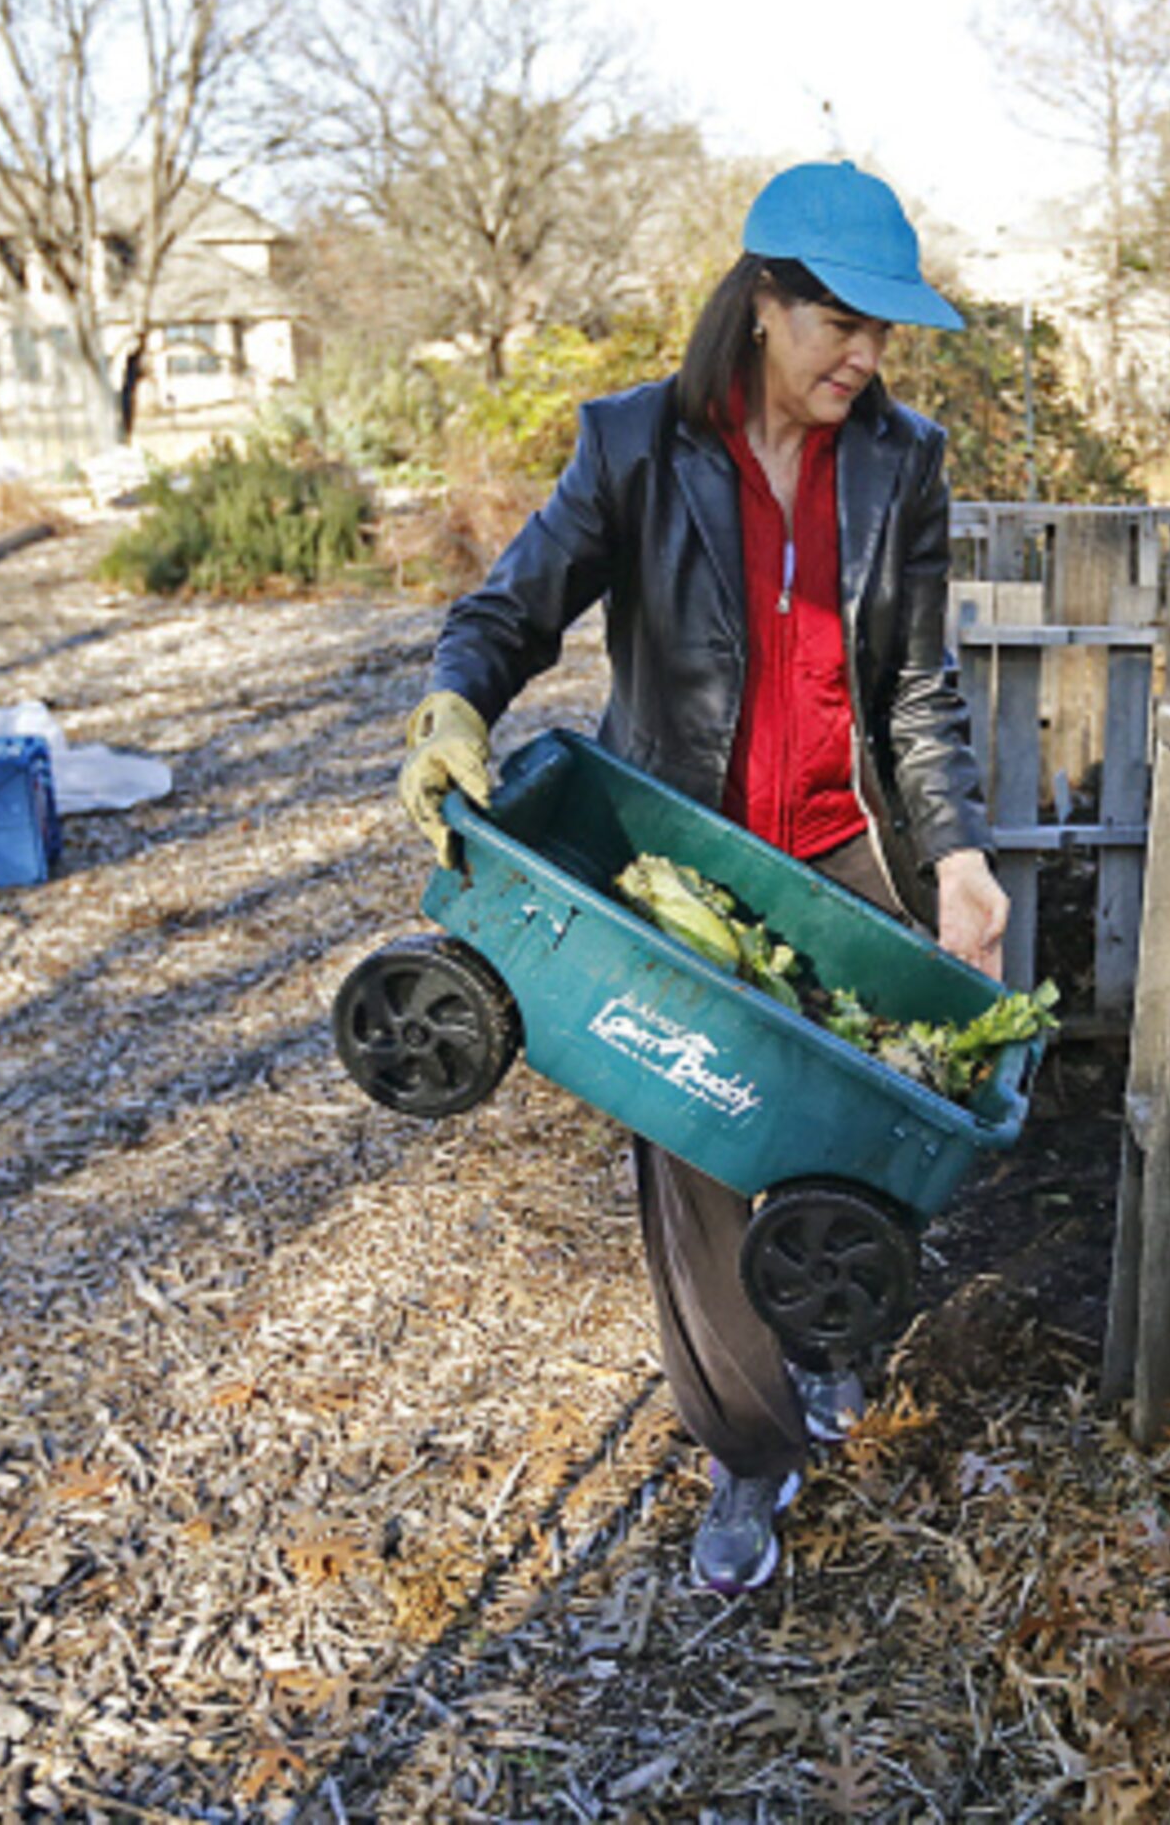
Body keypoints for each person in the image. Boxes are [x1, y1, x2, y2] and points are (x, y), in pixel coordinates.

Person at [394, 161, 1009, 1595]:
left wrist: (961, 857)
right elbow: (510, 606)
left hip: (833, 846)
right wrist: (455, 702)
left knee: (866, 1129)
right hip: (677, 862)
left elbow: (917, 689)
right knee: (702, 1151)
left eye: (882, 334)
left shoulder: (898, 462)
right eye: (840, 323)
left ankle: (834, 1339)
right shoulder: (634, 446)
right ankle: (745, 1449)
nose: (865, 356)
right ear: (761, 304)